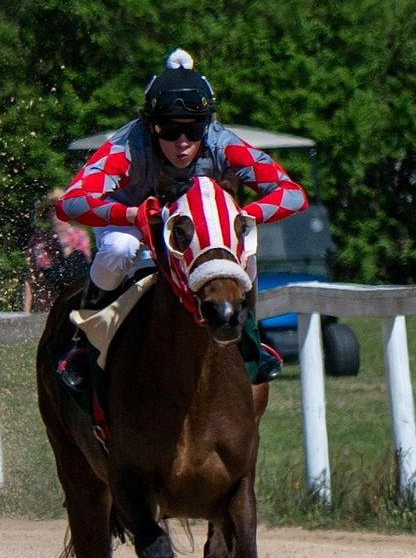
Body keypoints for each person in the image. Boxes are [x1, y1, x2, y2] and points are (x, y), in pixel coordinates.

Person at [55, 48, 308, 390]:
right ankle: (82, 342)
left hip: (196, 233)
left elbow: (292, 194)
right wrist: (130, 213)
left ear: (208, 123)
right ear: (150, 125)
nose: (183, 142)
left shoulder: (223, 143)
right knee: (118, 247)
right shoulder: (127, 145)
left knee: (245, 245)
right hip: (136, 224)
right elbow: (70, 203)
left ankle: (251, 340)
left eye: (194, 130)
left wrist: (241, 214)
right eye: (169, 130)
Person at [22, 187, 92, 313]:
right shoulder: (39, 240)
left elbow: (84, 274)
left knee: (77, 260)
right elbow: (31, 277)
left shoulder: (79, 236)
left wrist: (63, 242)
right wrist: (26, 312)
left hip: (74, 305)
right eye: (53, 211)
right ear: (48, 215)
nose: (57, 216)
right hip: (47, 307)